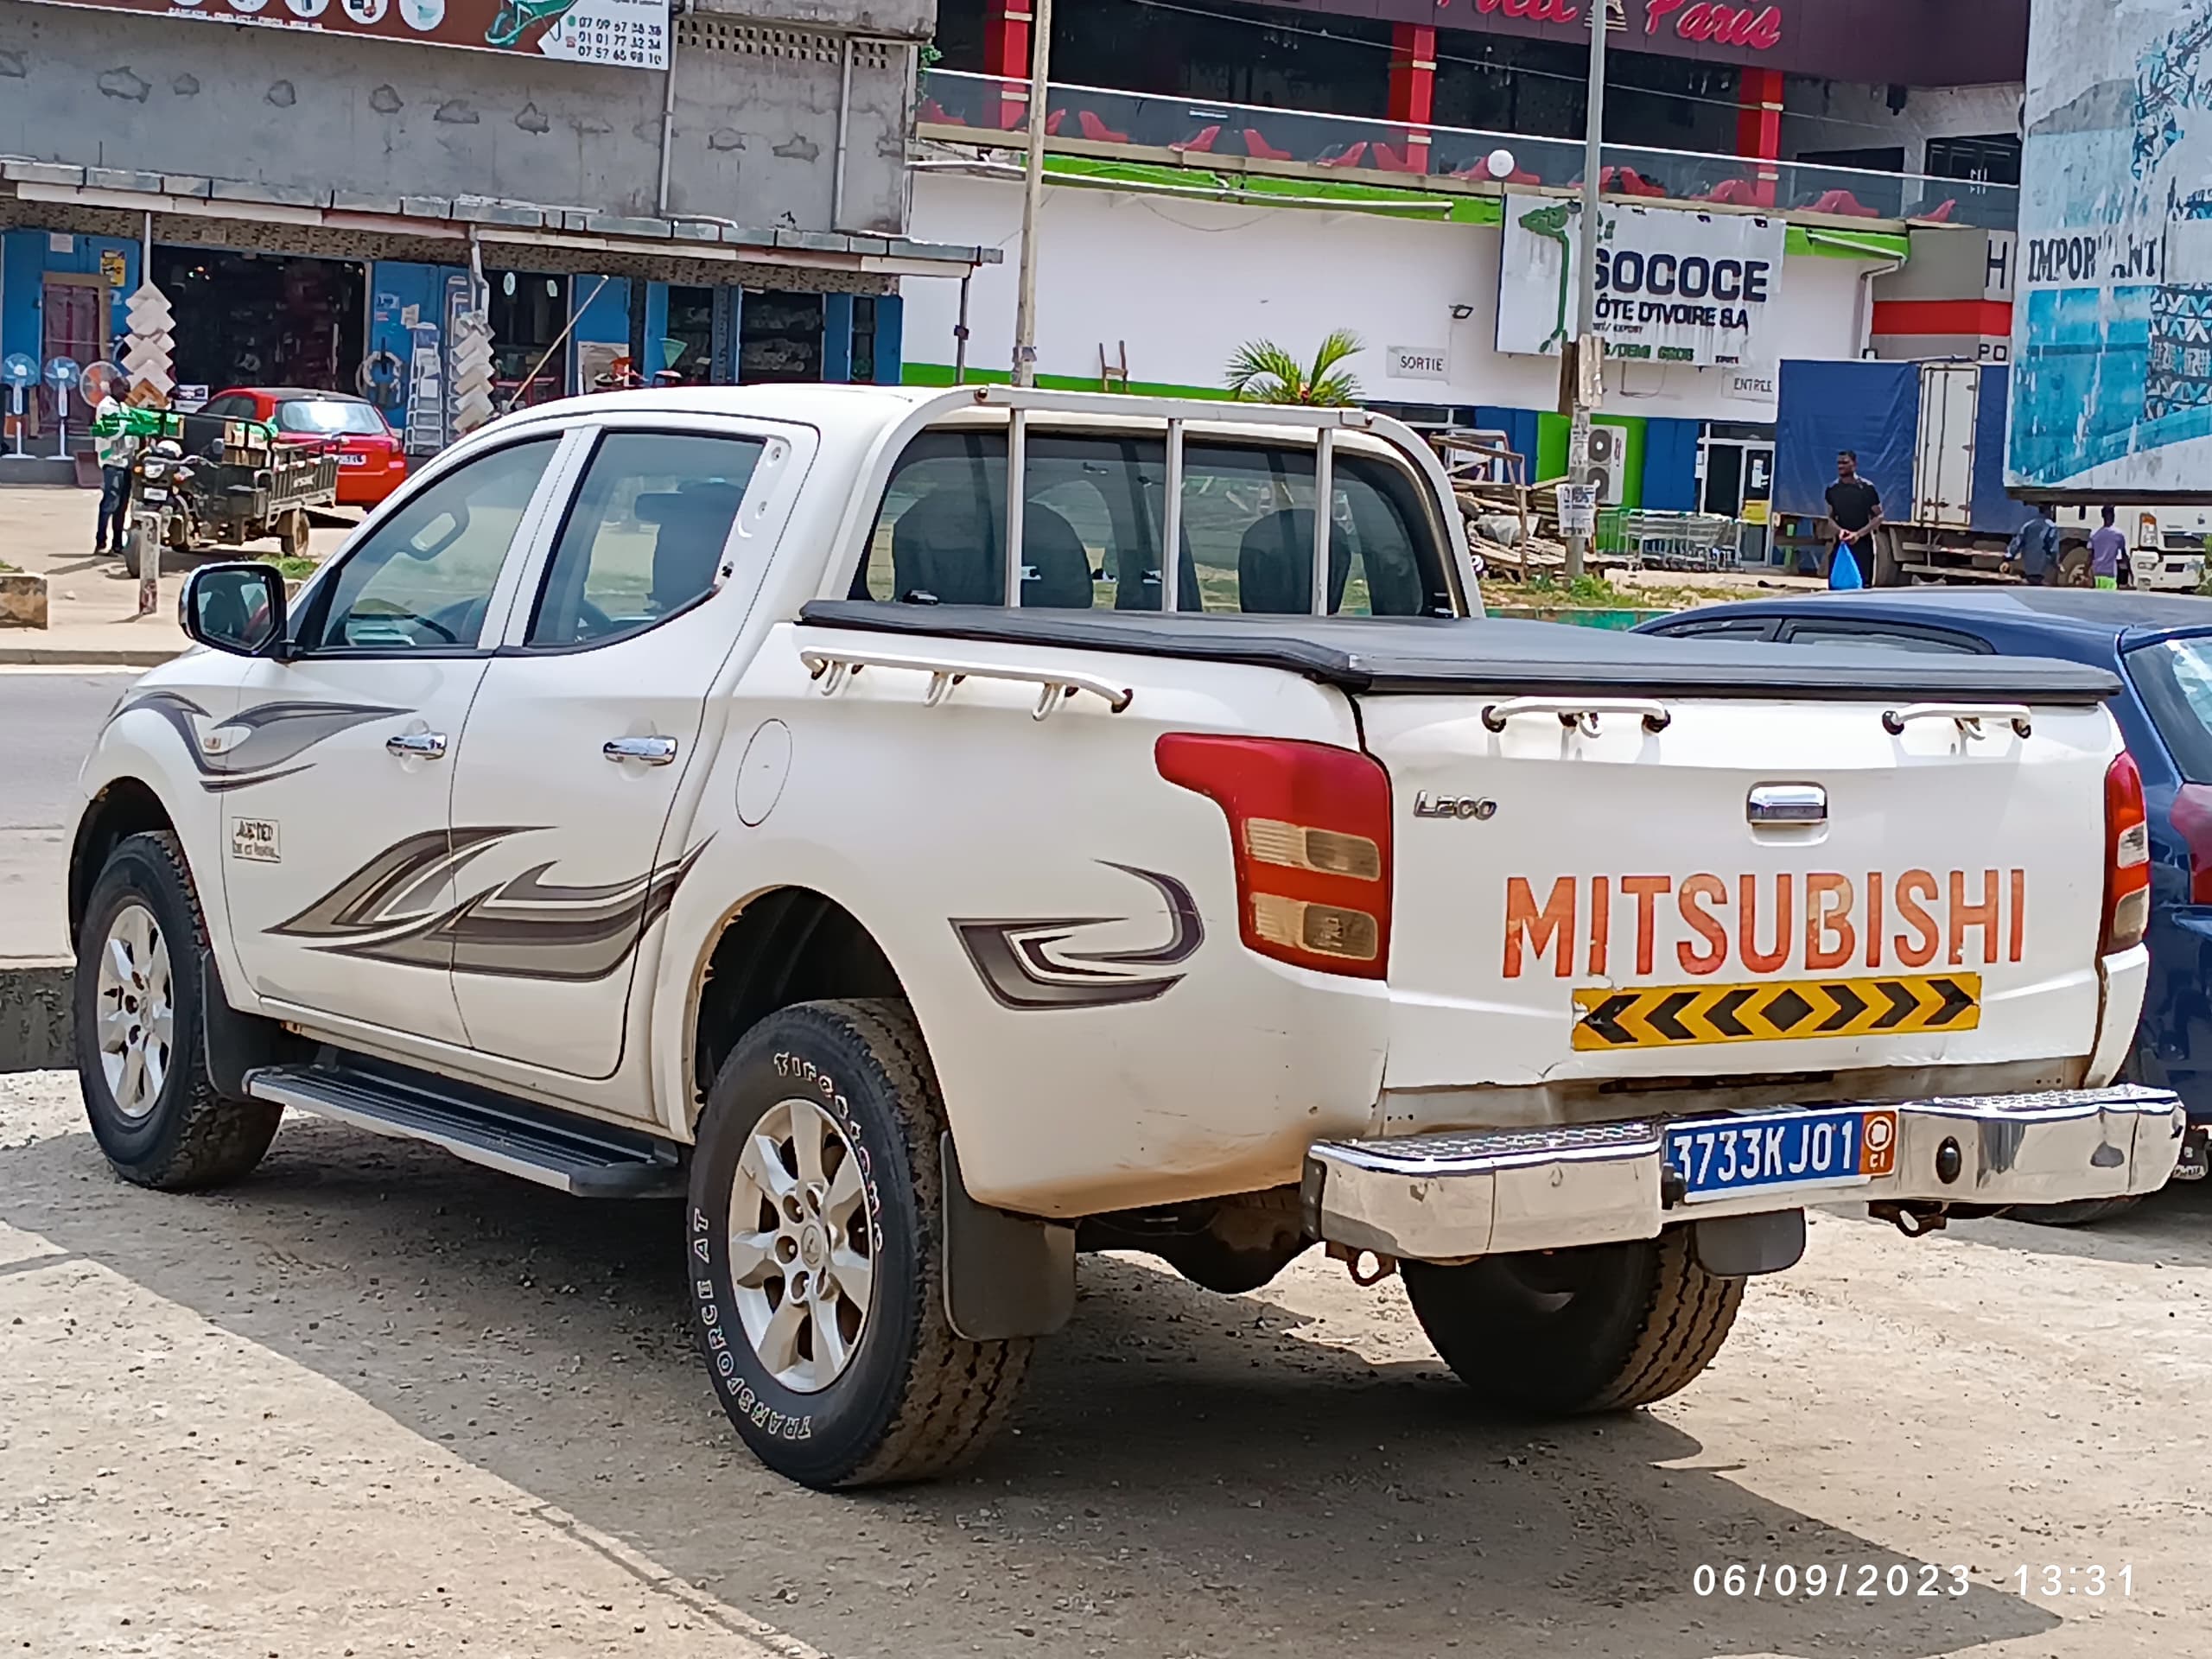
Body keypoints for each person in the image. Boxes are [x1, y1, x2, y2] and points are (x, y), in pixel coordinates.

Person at [91, 373, 136, 558]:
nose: (127, 394)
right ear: (114, 388)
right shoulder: (105, 407)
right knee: (110, 502)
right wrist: (131, 424)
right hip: (112, 460)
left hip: (126, 461)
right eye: (124, 390)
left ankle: (117, 544)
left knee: (122, 506)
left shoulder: (124, 407)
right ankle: (101, 542)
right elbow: (112, 432)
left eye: (128, 391)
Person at [1824, 450, 1883, 588]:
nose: (1841, 466)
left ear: (1854, 465)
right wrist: (1840, 531)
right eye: (1839, 463)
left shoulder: (1866, 488)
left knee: (1862, 585)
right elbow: (1830, 518)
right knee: (1837, 585)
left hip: (1862, 546)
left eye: (1845, 462)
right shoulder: (1832, 489)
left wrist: (1858, 534)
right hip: (1841, 545)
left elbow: (1879, 516)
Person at [2006, 503, 2062, 586]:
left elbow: (2017, 542)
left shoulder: (2028, 525)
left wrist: (2010, 557)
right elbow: (2053, 548)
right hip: (2042, 563)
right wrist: (2056, 563)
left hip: (2029, 562)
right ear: (2050, 511)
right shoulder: (2051, 526)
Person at [2088, 505, 2127, 591]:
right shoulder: (2118, 535)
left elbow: (2090, 555)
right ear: (2113, 516)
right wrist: (2129, 573)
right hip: (2110, 573)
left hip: (2097, 572)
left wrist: (2085, 571)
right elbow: (2124, 556)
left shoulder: (2094, 534)